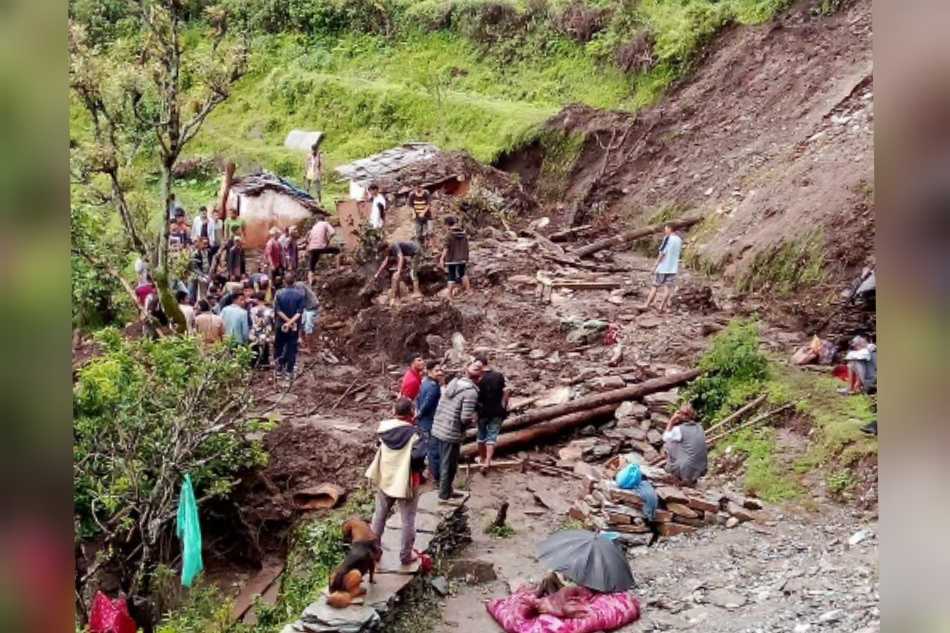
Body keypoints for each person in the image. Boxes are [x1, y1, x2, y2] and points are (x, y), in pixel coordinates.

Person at [365, 398, 428, 567]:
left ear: (394, 412)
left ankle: (375, 552)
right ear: (412, 413)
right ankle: (405, 555)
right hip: (406, 481)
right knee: (408, 519)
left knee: (379, 516)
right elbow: (418, 458)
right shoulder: (415, 434)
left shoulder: (383, 429)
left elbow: (378, 446)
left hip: (386, 478)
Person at [431, 360, 483, 503]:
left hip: (438, 427)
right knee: (449, 464)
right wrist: (473, 420)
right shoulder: (471, 392)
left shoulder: (453, 383)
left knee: (442, 461)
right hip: (451, 432)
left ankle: (446, 490)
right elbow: (465, 417)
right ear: (479, 377)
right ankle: (444, 495)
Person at [473, 352, 509, 475]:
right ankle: (488, 461)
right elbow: (506, 391)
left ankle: (482, 459)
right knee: (492, 437)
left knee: (481, 436)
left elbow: (475, 398)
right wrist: (503, 405)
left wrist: (474, 413)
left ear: (480, 365)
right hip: (497, 411)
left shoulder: (478, 378)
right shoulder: (499, 375)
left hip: (482, 412)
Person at [639, 223, 683, 313]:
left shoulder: (667, 238)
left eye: (666, 229)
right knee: (667, 288)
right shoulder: (679, 240)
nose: (665, 231)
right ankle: (661, 307)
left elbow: (662, 253)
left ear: (670, 229)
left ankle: (646, 304)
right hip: (673, 268)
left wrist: (655, 265)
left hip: (663, 267)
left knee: (655, 286)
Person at [662, 403, 707, 486]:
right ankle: (691, 476)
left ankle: (674, 471)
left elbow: (664, 437)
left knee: (668, 444)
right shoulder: (700, 427)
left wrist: (672, 420)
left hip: (687, 469)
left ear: (683, 415)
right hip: (701, 468)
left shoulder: (679, 429)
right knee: (682, 444)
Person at [273, 273, 306, 379]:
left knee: (279, 347)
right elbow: (299, 312)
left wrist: (286, 322)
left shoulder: (279, 294)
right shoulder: (300, 295)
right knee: (291, 348)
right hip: (294, 327)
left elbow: (278, 311)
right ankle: (289, 371)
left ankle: (278, 370)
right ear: (294, 281)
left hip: (281, 325)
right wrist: (291, 323)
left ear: (284, 281)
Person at [415, 360, 444, 481]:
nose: (440, 372)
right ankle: (437, 476)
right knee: (433, 450)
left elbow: (418, 399)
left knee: (427, 448)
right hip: (429, 422)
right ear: (429, 371)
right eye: (437, 370)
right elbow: (427, 404)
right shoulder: (433, 387)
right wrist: (420, 414)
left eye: (440, 370)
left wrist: (418, 412)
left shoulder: (425, 382)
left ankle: (427, 473)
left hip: (424, 422)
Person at [373, 240, 422, 306]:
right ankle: (401, 296)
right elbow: (385, 262)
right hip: (409, 254)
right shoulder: (389, 251)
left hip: (416, 250)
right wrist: (377, 273)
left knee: (413, 272)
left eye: (383, 252)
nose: (383, 254)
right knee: (400, 272)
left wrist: (398, 271)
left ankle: (417, 293)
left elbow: (400, 257)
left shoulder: (394, 246)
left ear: (386, 249)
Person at [439, 216, 470, 298]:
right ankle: (468, 291)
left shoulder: (449, 235)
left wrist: (442, 258)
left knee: (451, 276)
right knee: (463, 273)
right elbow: (466, 246)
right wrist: (466, 257)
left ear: (446, 225)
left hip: (452, 259)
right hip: (462, 258)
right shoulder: (463, 233)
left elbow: (446, 248)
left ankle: (449, 295)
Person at [306, 216, 339, 284]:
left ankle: (310, 280)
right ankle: (338, 269)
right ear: (324, 219)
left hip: (312, 248)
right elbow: (333, 232)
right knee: (337, 251)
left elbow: (308, 239)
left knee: (313, 263)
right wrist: (328, 240)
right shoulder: (325, 223)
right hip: (321, 246)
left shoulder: (314, 227)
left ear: (317, 220)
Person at [294, 279, 320, 353]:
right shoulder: (296, 286)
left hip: (312, 307)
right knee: (301, 324)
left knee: (308, 328)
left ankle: (309, 348)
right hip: (307, 307)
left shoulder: (299, 285)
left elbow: (302, 296)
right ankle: (303, 343)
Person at [249, 292, 274, 368]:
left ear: (256, 299)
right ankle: (265, 363)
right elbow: (273, 322)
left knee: (255, 348)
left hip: (255, 331)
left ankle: (254, 364)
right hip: (266, 332)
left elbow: (250, 321)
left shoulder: (252, 310)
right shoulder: (270, 310)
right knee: (266, 347)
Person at [190, 236, 213, 303]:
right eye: (204, 243)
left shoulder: (209, 252)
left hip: (208, 273)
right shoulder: (195, 254)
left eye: (207, 243)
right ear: (200, 243)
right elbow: (195, 268)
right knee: (203, 284)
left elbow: (211, 262)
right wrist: (203, 275)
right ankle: (203, 302)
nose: (205, 245)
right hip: (200, 274)